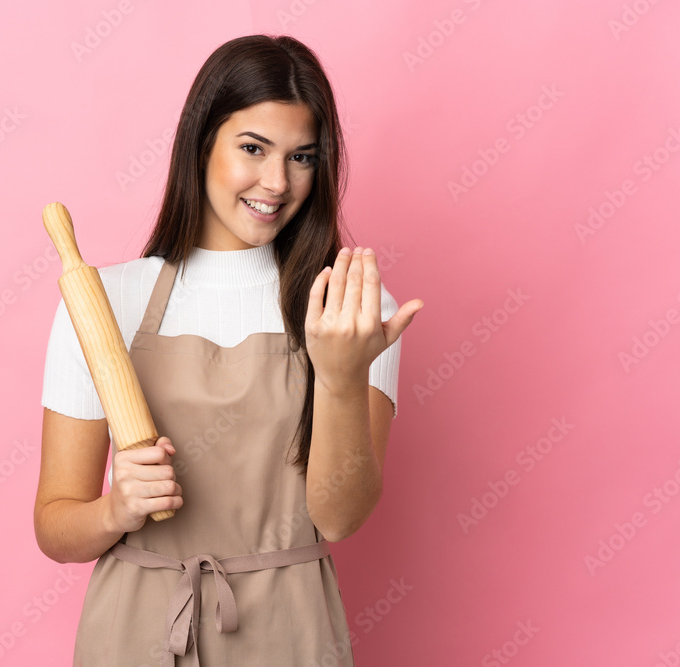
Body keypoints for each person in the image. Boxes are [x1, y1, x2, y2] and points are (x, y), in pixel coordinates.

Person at [34, 33, 423, 666]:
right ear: (201, 142)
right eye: (252, 148)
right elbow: (56, 526)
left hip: (289, 635)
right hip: (134, 634)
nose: (277, 181)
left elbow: (340, 518)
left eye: (303, 157)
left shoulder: (350, 308)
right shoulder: (107, 301)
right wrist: (115, 509)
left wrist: (343, 379)